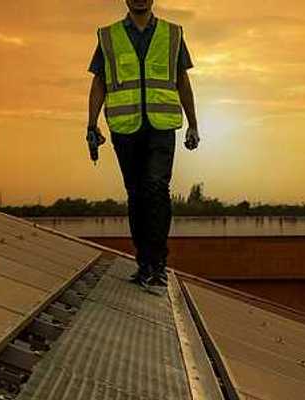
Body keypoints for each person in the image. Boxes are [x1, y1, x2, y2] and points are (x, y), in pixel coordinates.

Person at [87, 0, 200, 287]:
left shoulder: (172, 34)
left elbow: (182, 80)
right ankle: (144, 263)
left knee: (156, 187)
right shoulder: (108, 36)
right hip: (126, 128)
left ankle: (158, 263)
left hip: (161, 126)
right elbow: (99, 81)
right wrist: (91, 124)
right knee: (136, 193)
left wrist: (193, 124)